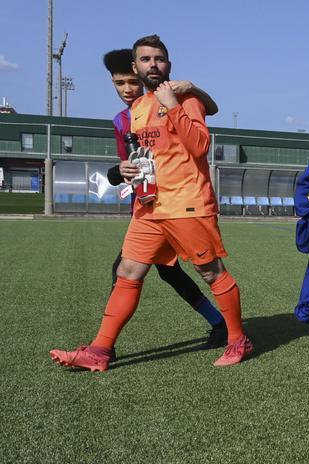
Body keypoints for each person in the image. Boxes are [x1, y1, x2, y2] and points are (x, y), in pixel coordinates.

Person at [50, 35, 252, 373]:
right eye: (145, 59)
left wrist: (173, 102)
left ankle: (237, 340)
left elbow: (200, 146)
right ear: (135, 66)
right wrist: (128, 168)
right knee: (127, 272)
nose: (152, 64)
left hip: (186, 203)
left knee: (210, 272)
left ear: (168, 65)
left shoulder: (185, 99)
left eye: (159, 59)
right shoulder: (138, 109)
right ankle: (99, 350)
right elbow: (150, 154)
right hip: (149, 207)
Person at [99, 48, 227, 349]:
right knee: (166, 272)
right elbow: (128, 166)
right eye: (120, 84)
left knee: (192, 270)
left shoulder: (167, 104)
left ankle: (105, 347)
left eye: (132, 82)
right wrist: (117, 172)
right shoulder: (124, 119)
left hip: (178, 205)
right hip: (146, 207)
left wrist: (192, 86)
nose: (128, 89)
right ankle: (220, 325)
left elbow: (209, 112)